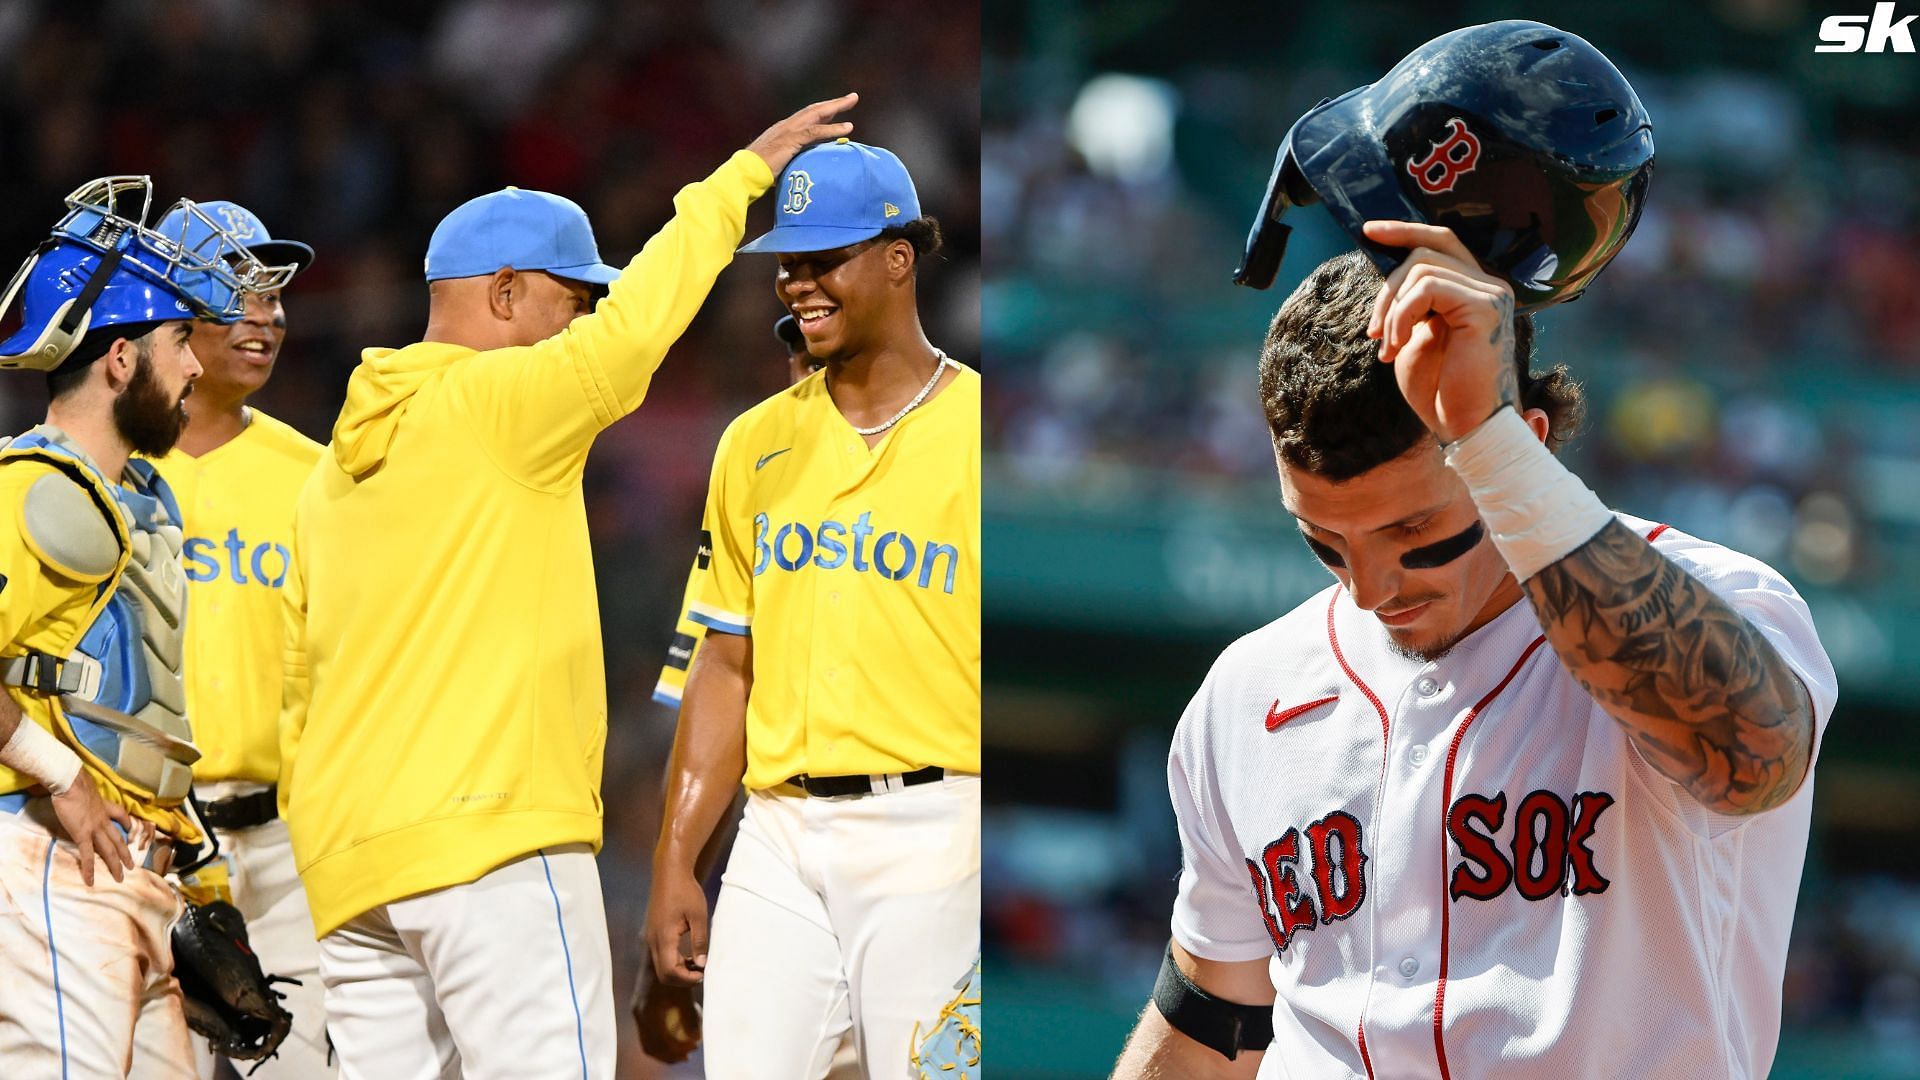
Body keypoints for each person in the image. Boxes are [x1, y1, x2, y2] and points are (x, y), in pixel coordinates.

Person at [1114, 22, 1831, 1080]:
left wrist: (1481, 436)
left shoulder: (1714, 597)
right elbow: (1211, 1023)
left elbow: (1754, 755)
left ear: (1521, 450)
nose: (1372, 590)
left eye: (1417, 536)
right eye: (1326, 544)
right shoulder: (1247, 694)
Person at [278, 95, 857, 1078]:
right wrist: (738, 180)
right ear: (504, 294)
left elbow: (295, 683)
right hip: (491, 847)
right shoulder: (495, 401)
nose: (583, 314)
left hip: (350, 876)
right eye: (571, 295)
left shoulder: (329, 469)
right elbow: (633, 339)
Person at [643, 138, 981, 1076]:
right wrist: (678, 859)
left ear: (898, 257)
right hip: (779, 834)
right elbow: (725, 661)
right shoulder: (753, 443)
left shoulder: (978, 435)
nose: (798, 282)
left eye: (824, 257)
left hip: (937, 830)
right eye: (788, 262)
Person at [0, 177, 282, 1076]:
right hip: (50, 854)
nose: (195, 364)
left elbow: (147, 701)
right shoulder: (30, 487)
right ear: (121, 358)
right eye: (175, 342)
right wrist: (60, 779)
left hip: (141, 868)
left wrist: (199, 880)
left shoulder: (143, 500)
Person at [630, 312, 850, 1075]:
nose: (806, 367)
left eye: (821, 353)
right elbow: (718, 722)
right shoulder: (757, 477)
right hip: (782, 837)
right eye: (792, 348)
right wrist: (674, 891)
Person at [149, 200, 332, 1078]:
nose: (267, 316)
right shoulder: (111, 470)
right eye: (238, 292)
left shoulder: (317, 478)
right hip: (142, 840)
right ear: (167, 310)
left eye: (274, 295)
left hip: (289, 847)